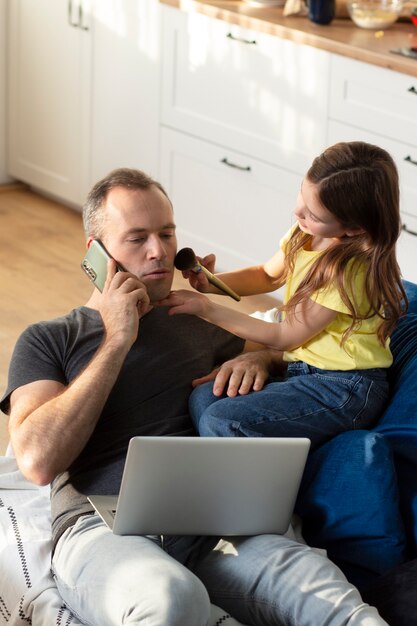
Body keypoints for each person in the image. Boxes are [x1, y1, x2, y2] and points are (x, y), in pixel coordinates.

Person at [0, 167, 389, 626]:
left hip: (213, 520)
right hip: (103, 527)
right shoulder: (51, 339)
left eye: (167, 233)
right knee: (170, 597)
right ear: (97, 252)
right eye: (137, 238)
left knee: (330, 598)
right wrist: (117, 340)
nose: (159, 252)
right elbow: (38, 460)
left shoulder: (200, 319)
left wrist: (262, 360)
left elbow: (293, 349)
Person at [161, 141, 407, 450]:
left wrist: (207, 309)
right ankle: (243, 466)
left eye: (313, 213)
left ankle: (249, 488)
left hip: (343, 387)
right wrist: (212, 282)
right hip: (300, 370)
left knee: (223, 422)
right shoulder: (308, 232)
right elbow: (267, 274)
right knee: (204, 397)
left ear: (354, 228)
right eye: (302, 196)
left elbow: (284, 336)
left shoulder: (348, 269)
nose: (297, 211)